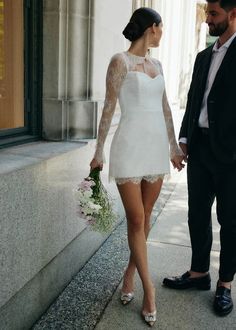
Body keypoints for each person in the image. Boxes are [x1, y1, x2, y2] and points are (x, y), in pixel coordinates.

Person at [90, 7, 184, 326]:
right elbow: (108, 107)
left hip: (156, 147)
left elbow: (166, 109)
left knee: (143, 222)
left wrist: (173, 147)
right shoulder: (120, 61)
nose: (162, 34)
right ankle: (149, 291)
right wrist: (99, 151)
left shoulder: (157, 64)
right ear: (152, 28)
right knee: (137, 219)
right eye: (162, 28)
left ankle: (129, 273)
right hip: (129, 146)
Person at [163, 0, 236, 317]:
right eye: (207, 13)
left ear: (233, 14)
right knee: (196, 215)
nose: (208, 19)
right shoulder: (203, 56)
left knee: (230, 223)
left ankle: (225, 284)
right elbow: (194, 100)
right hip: (201, 149)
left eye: (214, 14)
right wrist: (184, 140)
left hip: (231, 157)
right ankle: (198, 273)